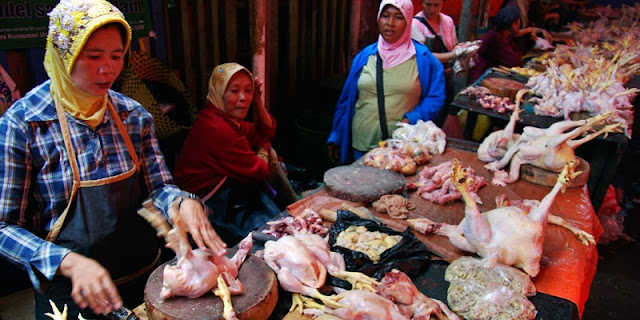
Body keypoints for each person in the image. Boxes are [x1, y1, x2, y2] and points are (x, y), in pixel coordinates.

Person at [0, 1, 226, 319]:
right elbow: (4, 227)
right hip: (72, 295)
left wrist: (181, 202)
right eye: (94, 56)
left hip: (149, 282)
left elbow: (158, 186)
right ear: (64, 54)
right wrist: (66, 261)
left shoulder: (132, 115)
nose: (108, 68)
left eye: (117, 55)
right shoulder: (24, 124)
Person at [173, 63, 296, 247]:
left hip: (225, 193)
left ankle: (293, 206)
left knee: (269, 155)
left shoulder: (225, 119)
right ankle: (293, 205)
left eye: (248, 91)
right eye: (234, 91)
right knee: (271, 237)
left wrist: (258, 102)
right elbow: (259, 171)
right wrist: (263, 148)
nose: (243, 98)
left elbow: (265, 131)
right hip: (209, 205)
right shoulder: (217, 128)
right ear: (219, 92)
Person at [327, 0, 445, 165]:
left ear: (409, 21)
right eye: (385, 16)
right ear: (378, 19)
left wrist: (412, 119)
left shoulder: (425, 60)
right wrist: (337, 135)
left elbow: (436, 98)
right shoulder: (364, 57)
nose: (390, 23)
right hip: (361, 144)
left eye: (398, 17)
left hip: (400, 149)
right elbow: (346, 100)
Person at [470, 6, 525, 83]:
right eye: (517, 21)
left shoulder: (505, 36)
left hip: (493, 76)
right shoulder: (495, 38)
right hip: (483, 78)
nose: (519, 24)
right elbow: (515, 61)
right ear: (511, 23)